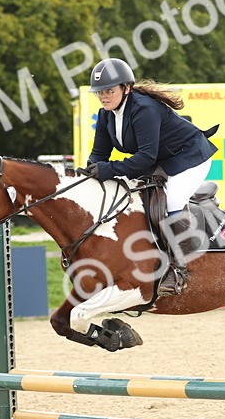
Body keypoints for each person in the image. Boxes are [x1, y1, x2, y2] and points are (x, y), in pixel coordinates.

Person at [82, 58, 217, 295]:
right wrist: (90, 171)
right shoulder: (106, 115)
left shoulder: (145, 109)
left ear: (126, 88)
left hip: (191, 157)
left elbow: (144, 159)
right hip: (161, 160)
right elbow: (99, 153)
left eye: (109, 91)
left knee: (170, 203)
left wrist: (107, 170)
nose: (103, 96)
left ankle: (178, 269)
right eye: (99, 92)